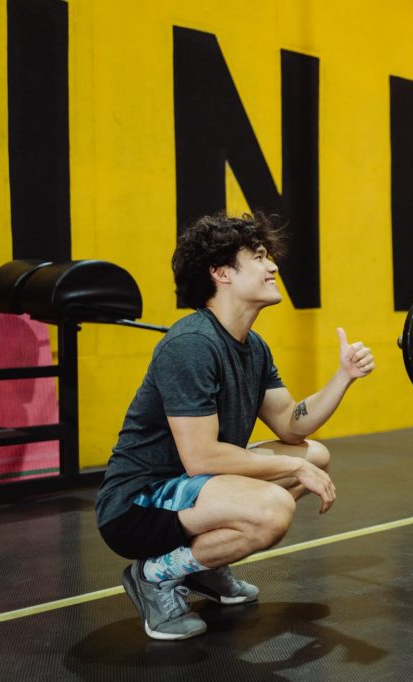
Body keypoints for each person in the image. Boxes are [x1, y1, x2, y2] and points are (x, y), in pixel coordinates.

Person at [95, 213, 375, 640]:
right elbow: (201, 456)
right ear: (221, 272)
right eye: (258, 257)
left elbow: (290, 425)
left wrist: (343, 378)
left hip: (190, 486)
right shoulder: (192, 344)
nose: (273, 267)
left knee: (315, 455)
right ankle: (156, 574)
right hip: (138, 503)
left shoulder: (252, 347)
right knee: (273, 508)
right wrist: (293, 471)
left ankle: (202, 568)